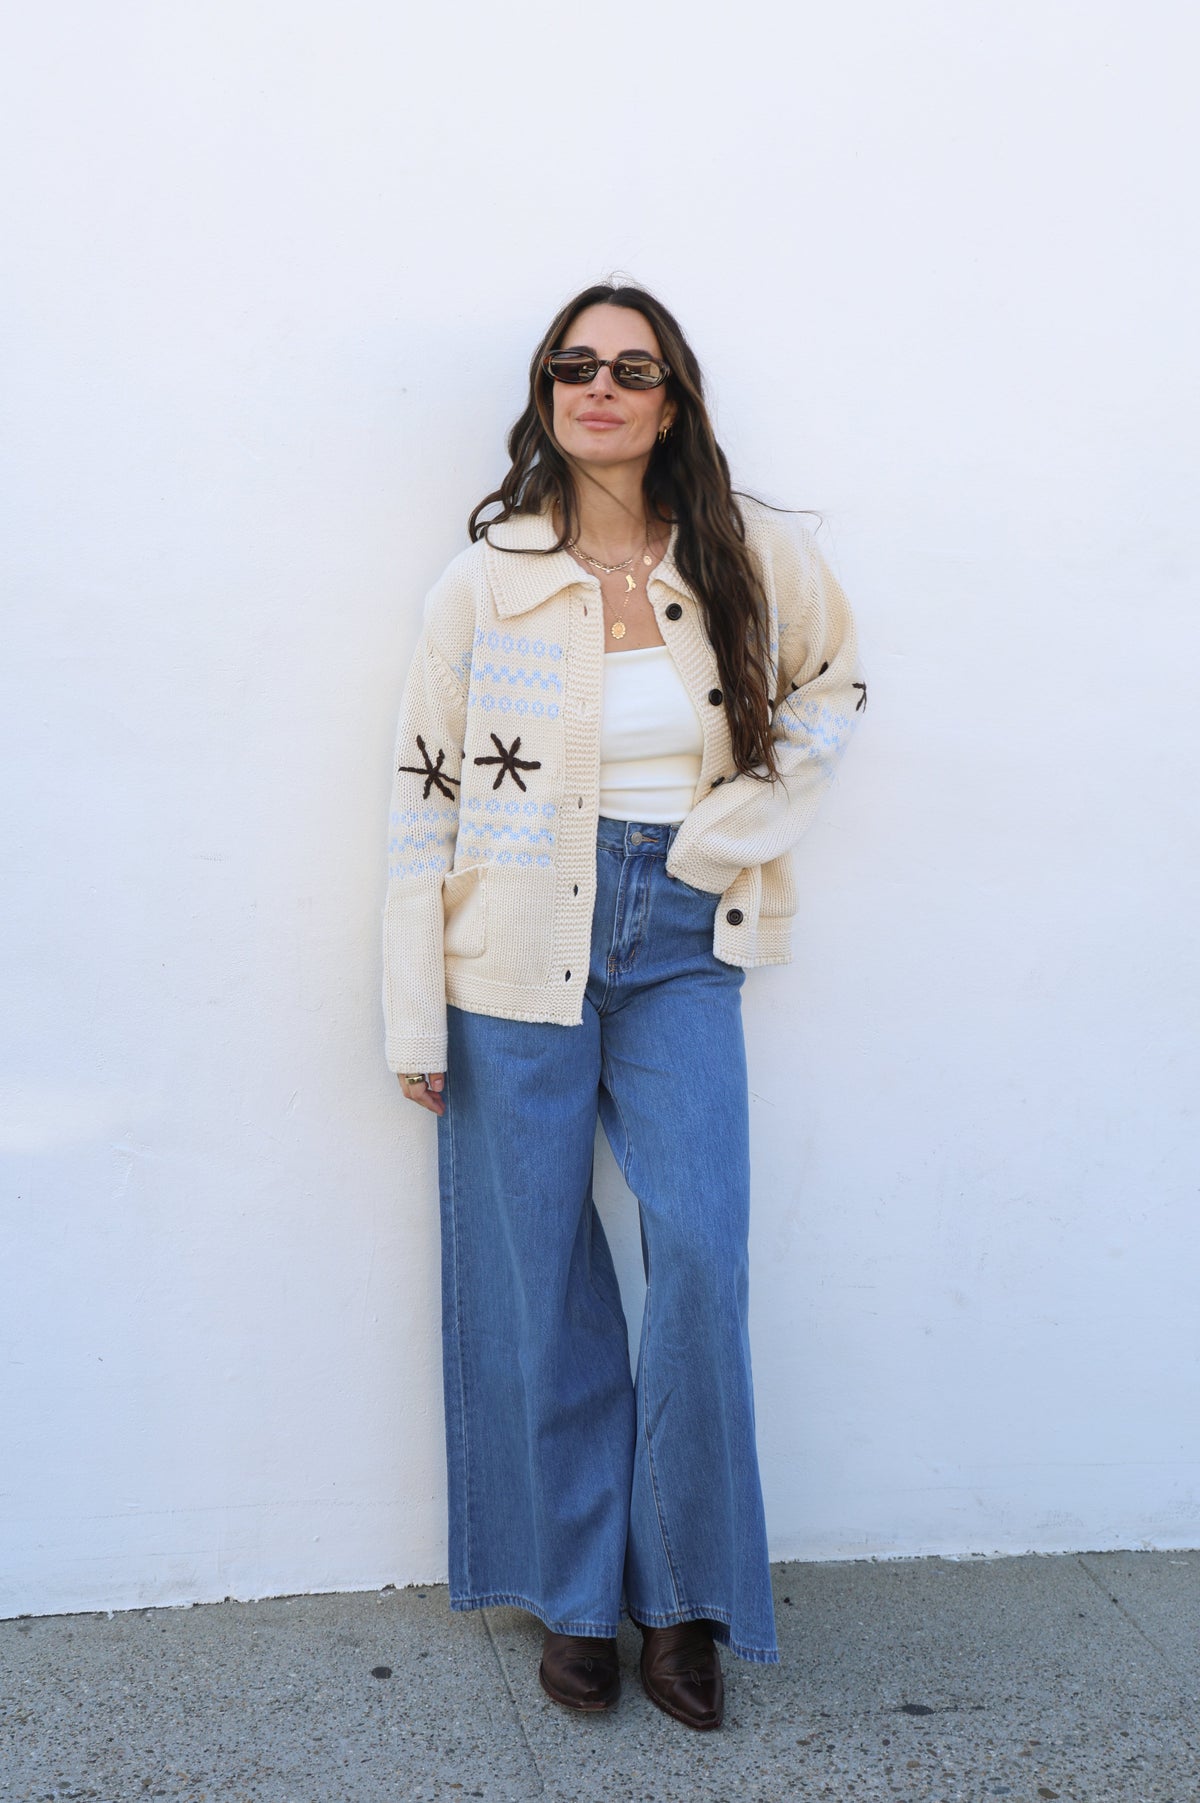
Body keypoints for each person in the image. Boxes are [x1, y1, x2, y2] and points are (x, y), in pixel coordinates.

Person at [382, 282, 865, 1731]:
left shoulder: (746, 556)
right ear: (546, 394)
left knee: (702, 1254)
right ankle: (578, 1599)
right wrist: (418, 1015)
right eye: (574, 365)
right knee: (542, 1271)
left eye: (630, 367)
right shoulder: (484, 580)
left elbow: (836, 684)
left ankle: (690, 1599)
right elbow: (424, 798)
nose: (601, 387)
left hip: (676, 934)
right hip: (514, 941)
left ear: (672, 398)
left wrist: (734, 831)